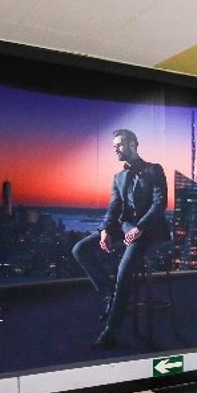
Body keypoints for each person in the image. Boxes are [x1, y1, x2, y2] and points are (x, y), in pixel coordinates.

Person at [72, 129, 170, 349]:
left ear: (133, 144)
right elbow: (113, 207)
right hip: (123, 227)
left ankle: (111, 330)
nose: (115, 149)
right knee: (80, 249)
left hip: (148, 230)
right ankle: (111, 296)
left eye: (119, 145)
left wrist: (140, 228)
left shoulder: (154, 170)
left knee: (123, 271)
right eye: (113, 146)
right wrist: (105, 229)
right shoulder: (118, 177)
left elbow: (159, 204)